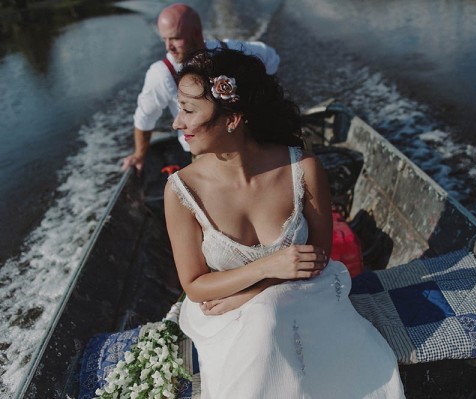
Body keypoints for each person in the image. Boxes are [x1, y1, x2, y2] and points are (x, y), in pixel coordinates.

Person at [164, 48, 405, 398]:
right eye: (179, 108)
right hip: (224, 313)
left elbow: (320, 254)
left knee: (267, 312)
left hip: (308, 295)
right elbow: (196, 286)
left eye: (188, 110)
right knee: (263, 319)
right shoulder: (181, 191)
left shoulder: (303, 169)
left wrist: (257, 289)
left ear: (232, 118)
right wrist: (264, 274)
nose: (177, 123)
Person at [121, 3, 280, 174]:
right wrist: (139, 155)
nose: (168, 46)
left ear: (196, 33)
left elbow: (271, 59)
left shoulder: (232, 50)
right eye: (164, 39)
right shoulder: (161, 74)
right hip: (204, 153)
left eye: (174, 38)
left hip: (249, 143)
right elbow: (145, 118)